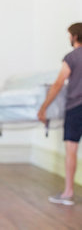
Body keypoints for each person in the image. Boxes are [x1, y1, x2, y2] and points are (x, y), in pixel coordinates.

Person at [38, 23, 82, 206]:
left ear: (75, 36)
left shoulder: (71, 57)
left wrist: (43, 107)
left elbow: (58, 84)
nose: (68, 38)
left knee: (71, 150)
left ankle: (68, 193)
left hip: (75, 108)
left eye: (69, 35)